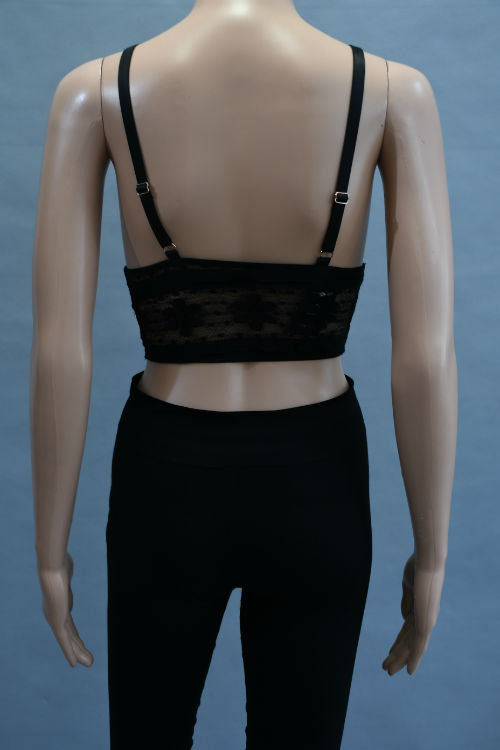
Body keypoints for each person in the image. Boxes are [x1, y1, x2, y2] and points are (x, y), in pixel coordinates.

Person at [30, 1, 457, 748]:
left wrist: (49, 554)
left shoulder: (95, 92)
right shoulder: (393, 93)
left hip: (167, 479)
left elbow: (59, 348)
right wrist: (433, 556)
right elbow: (427, 353)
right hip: (316, 480)